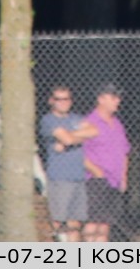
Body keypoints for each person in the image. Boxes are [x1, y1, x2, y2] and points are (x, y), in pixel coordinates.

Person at [39, 85, 96, 240]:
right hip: (60, 177)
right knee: (59, 221)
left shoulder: (75, 118)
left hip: (78, 176)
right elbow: (67, 139)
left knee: (75, 223)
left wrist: (70, 138)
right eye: (59, 99)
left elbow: (93, 131)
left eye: (66, 99)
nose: (63, 102)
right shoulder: (48, 120)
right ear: (51, 101)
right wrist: (74, 138)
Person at [81, 83, 131, 243]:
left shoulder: (117, 124)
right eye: (113, 97)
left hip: (114, 181)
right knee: (92, 225)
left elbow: (124, 151)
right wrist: (96, 172)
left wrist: (123, 176)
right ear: (101, 99)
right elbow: (77, 153)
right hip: (95, 181)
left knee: (104, 226)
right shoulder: (89, 122)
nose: (118, 101)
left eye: (118, 98)